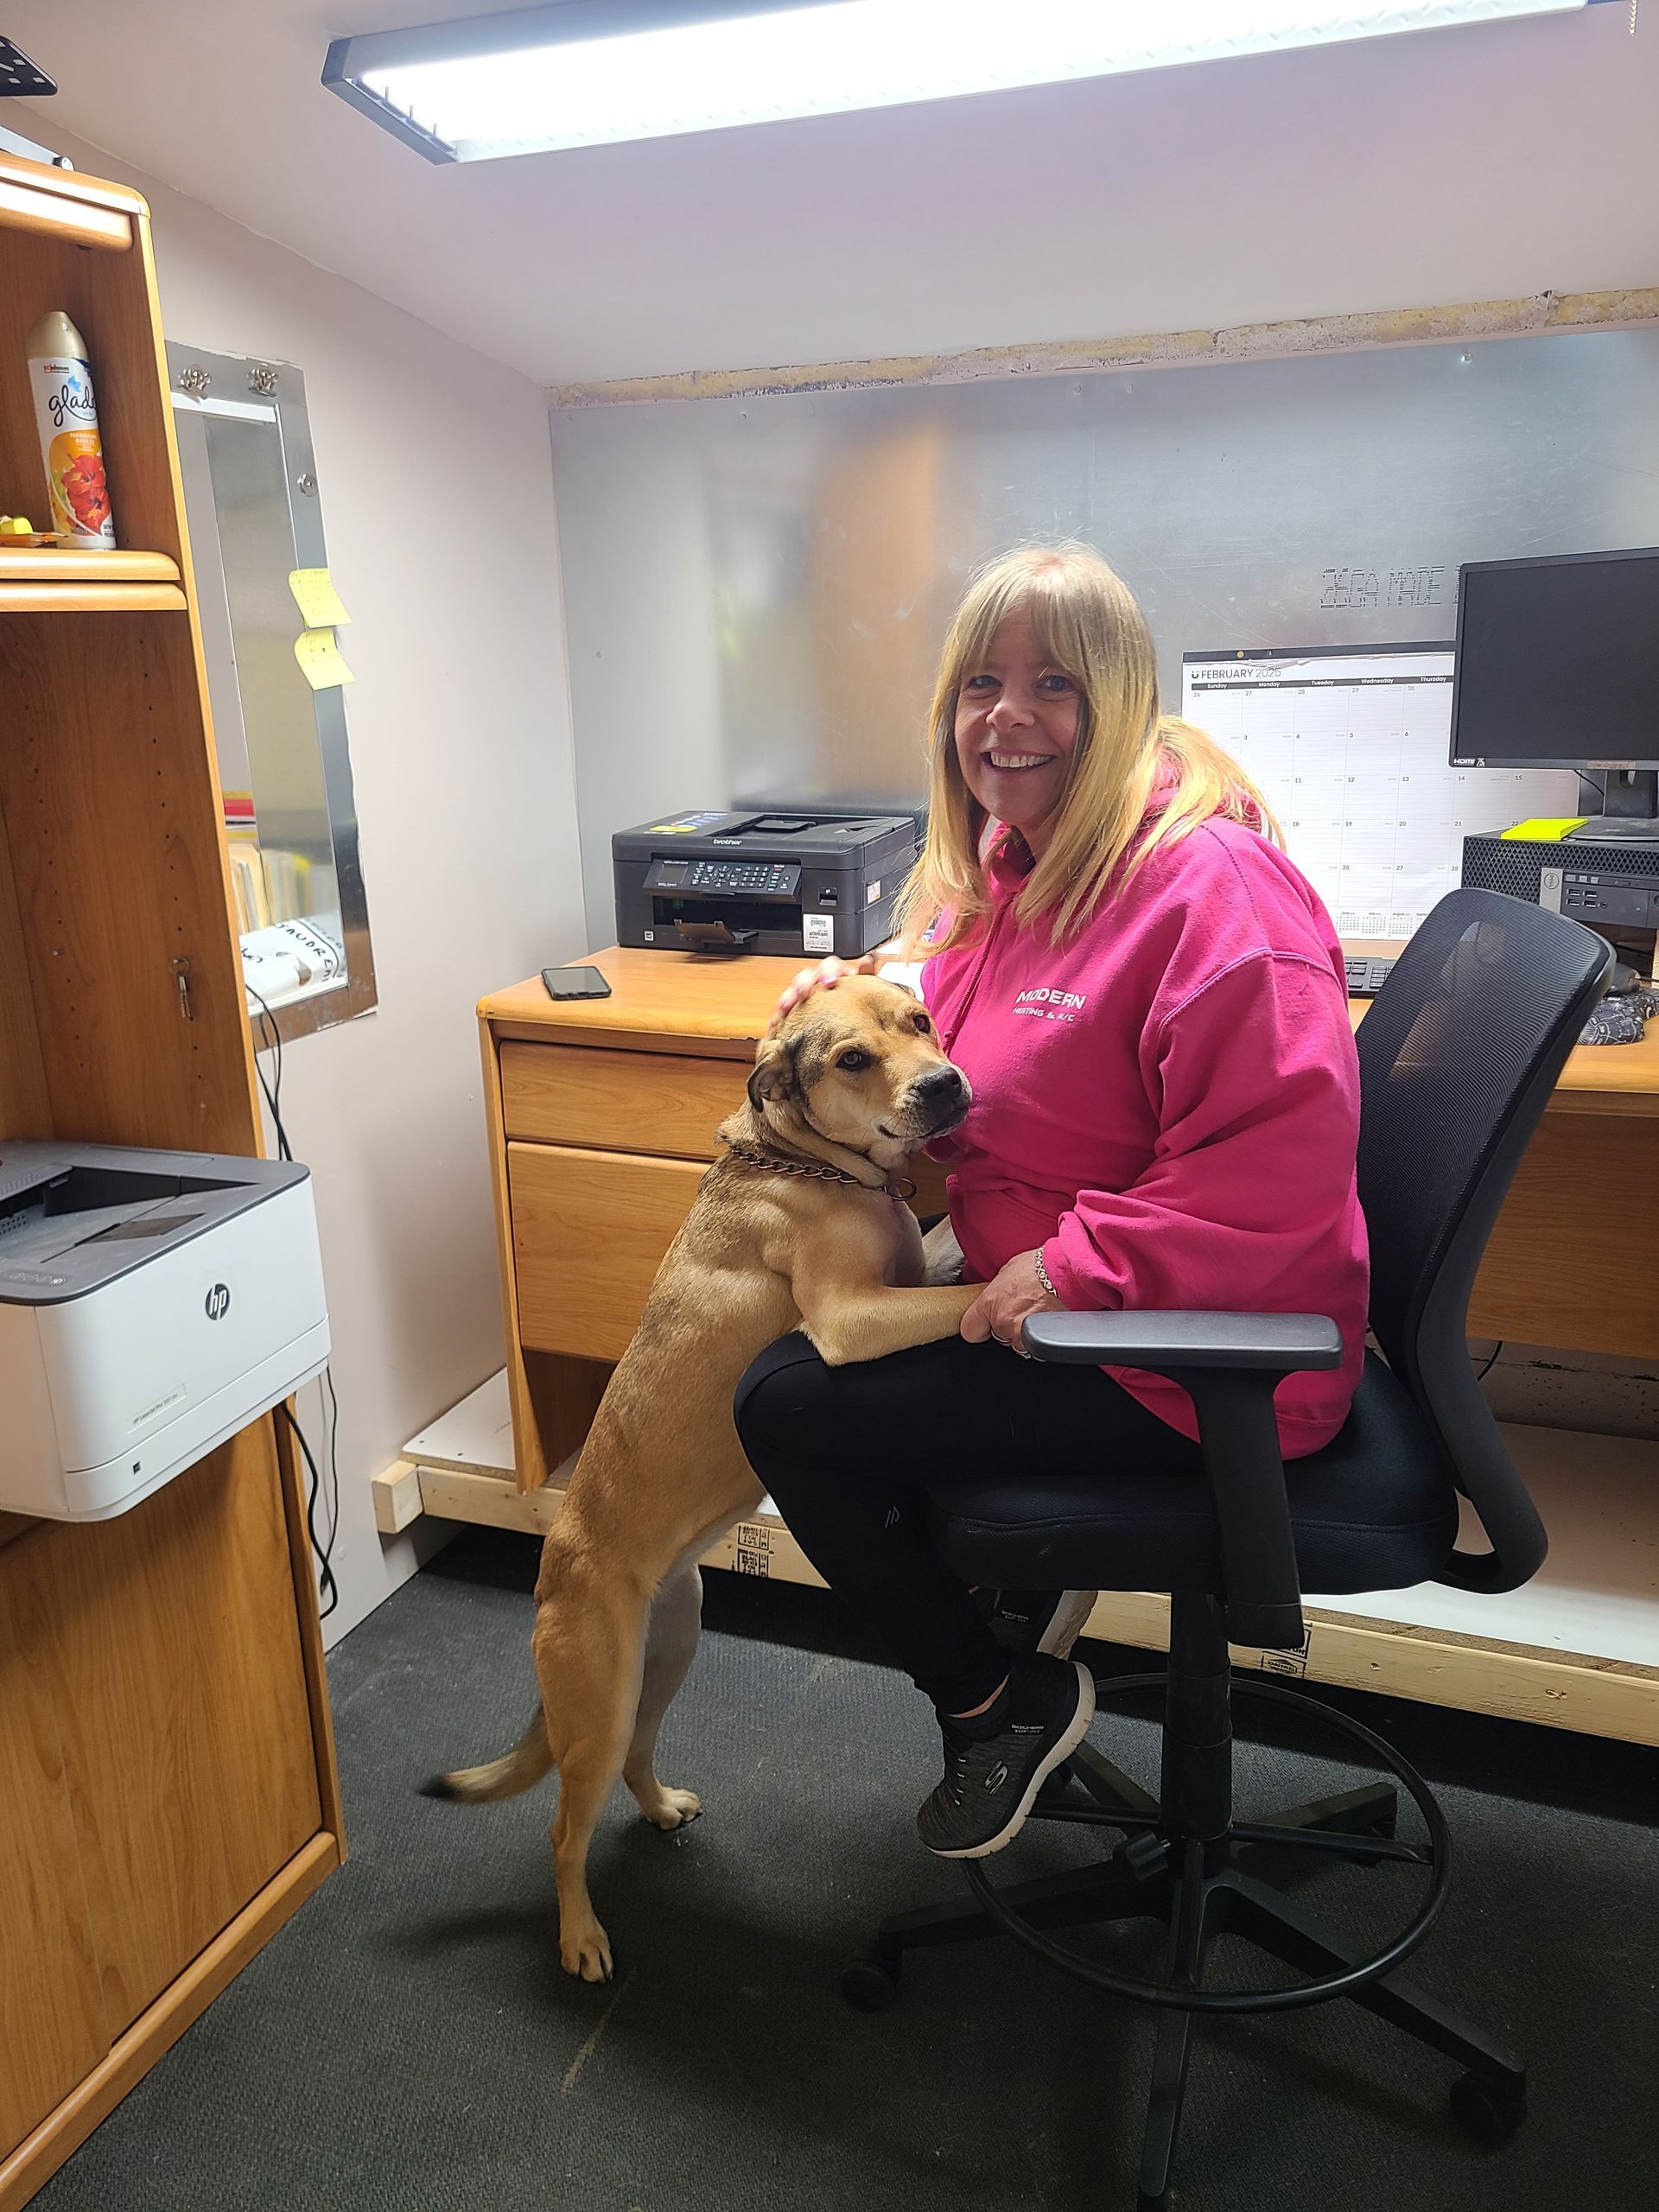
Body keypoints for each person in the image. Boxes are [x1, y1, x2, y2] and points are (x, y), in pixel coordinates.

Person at [733, 544, 1368, 1861]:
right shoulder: (1036, 862)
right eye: (980, 682)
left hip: (1185, 1351)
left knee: (787, 1406)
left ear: (1123, 700)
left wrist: (1082, 1267)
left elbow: (1280, 1161)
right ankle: (1005, 1612)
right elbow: (986, 1005)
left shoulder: (1212, 892)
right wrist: (862, 996)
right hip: (1093, 1304)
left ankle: (994, 1703)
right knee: (835, 1345)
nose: (1004, 718)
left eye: (1053, 685)